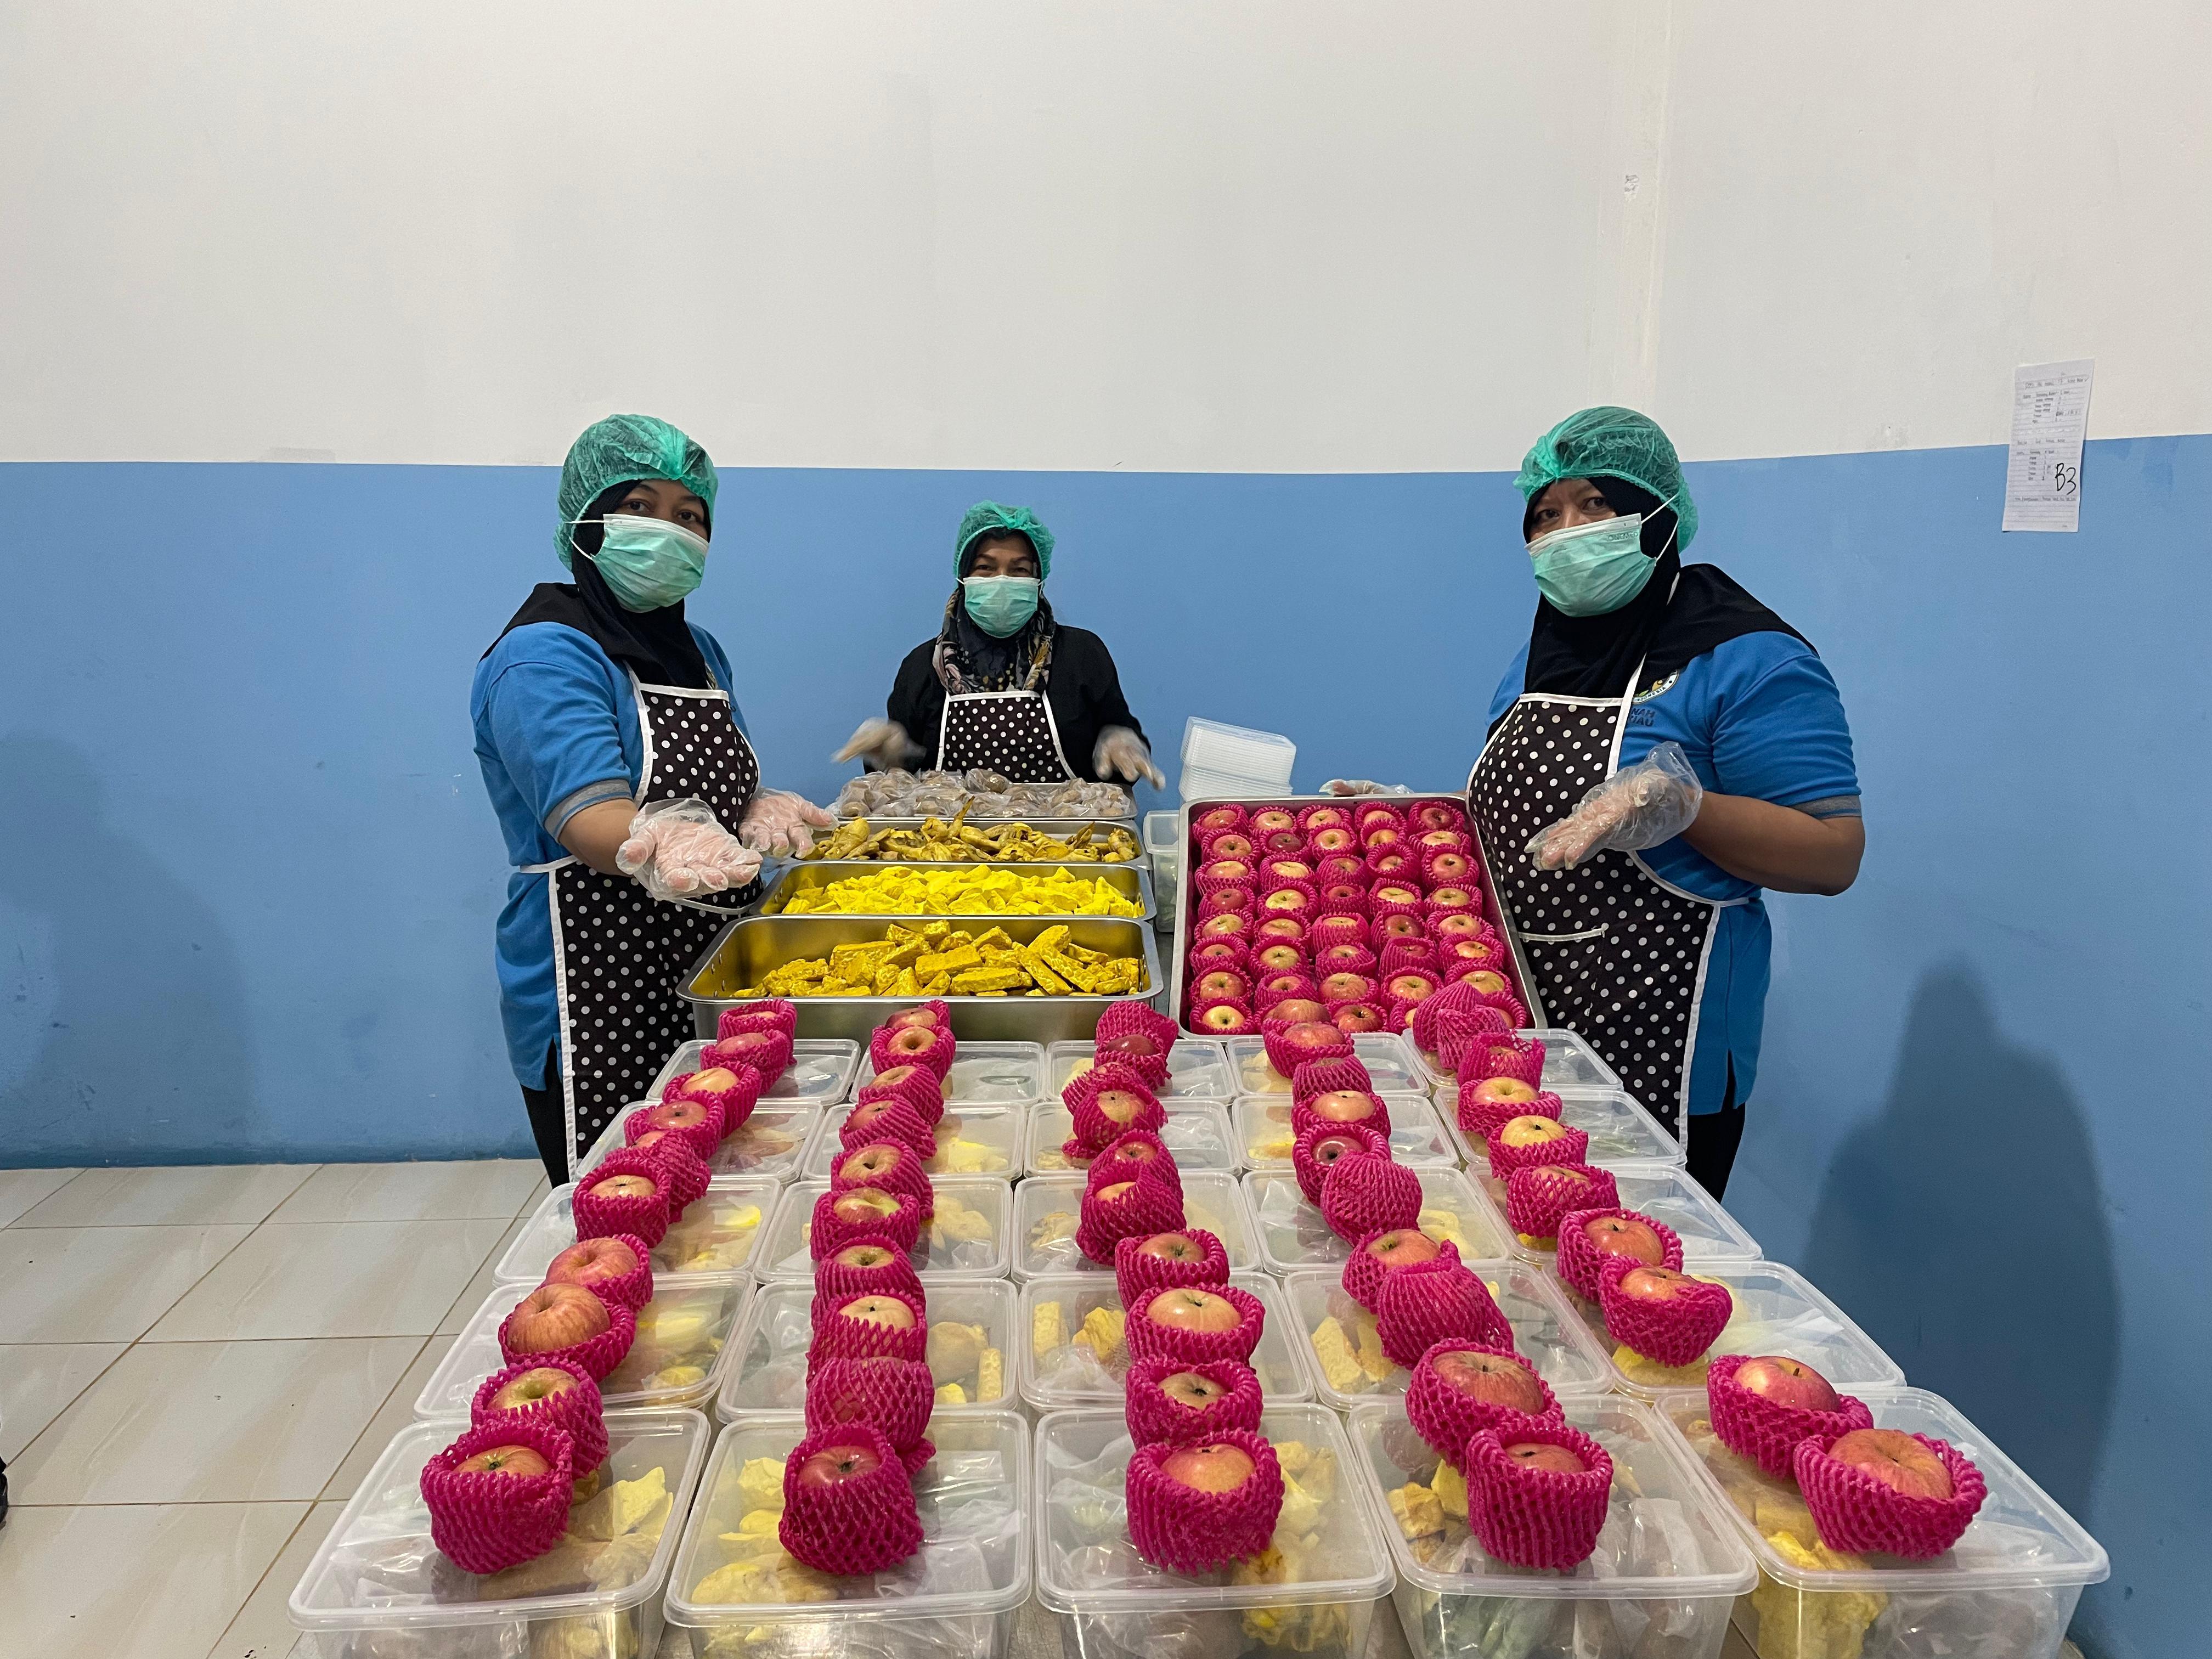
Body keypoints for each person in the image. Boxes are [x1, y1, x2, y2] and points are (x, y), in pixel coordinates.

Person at [1331, 407, 1863, 1198]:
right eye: (1545, 516)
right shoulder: (1540, 656)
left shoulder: (1746, 656)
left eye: (1595, 506)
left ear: (1656, 517)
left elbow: (1834, 853)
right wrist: (1417, 821)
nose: (1567, 532)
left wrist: (1688, 808)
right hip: (1518, 1030)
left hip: (1656, 1033)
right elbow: (1526, 819)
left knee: (1631, 1273)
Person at [472, 414, 833, 1183]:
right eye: (639, 507)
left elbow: (698, 776)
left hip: (712, 967)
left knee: (725, 1201)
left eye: (689, 516)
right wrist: (663, 842)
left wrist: (754, 804)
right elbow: (588, 816)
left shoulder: (702, 653)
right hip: (599, 980)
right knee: (629, 1200)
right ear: (587, 521)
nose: (668, 531)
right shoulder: (543, 653)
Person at [836, 501, 1164, 787]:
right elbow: (898, 786)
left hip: (1066, 846)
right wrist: (892, 756)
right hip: (947, 849)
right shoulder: (922, 666)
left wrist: (1119, 740)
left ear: (1039, 581)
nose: (1002, 581)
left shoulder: (1082, 654)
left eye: (1019, 570)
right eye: (986, 568)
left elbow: (1122, 759)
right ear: (964, 578)